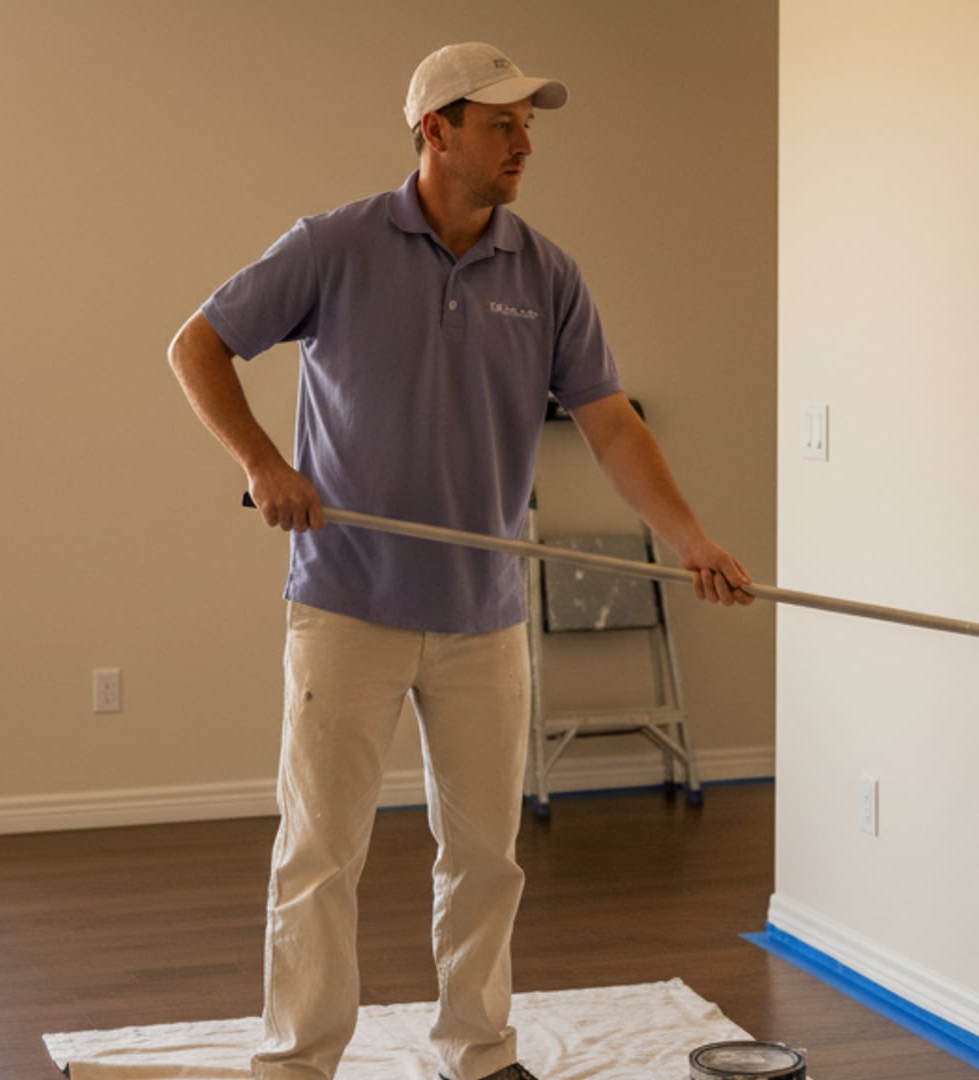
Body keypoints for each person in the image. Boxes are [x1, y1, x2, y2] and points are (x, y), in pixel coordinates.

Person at [167, 41, 753, 1080]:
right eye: (502, 123)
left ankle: (479, 1054)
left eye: (530, 123)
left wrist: (691, 536)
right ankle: (298, 1062)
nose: (525, 141)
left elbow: (611, 425)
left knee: (485, 859)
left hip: (484, 614)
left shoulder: (548, 273)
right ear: (435, 130)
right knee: (320, 856)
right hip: (347, 604)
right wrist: (265, 463)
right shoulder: (334, 246)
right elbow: (198, 345)